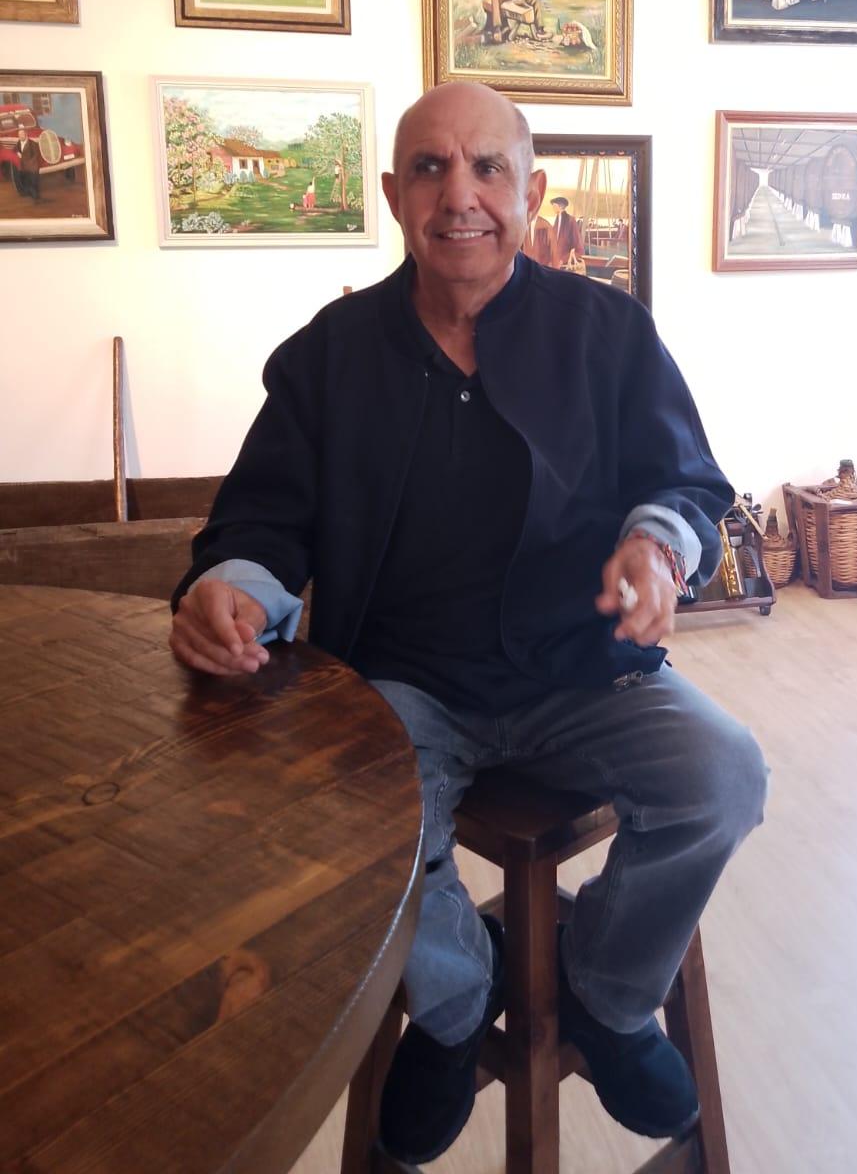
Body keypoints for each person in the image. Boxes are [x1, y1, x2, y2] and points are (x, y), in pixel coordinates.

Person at [167, 81, 767, 1167]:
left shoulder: (607, 332)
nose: (461, 195)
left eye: (488, 168)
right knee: (341, 813)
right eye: (431, 168)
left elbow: (685, 482)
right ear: (393, 193)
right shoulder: (330, 355)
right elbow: (259, 519)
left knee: (724, 776)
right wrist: (235, 587)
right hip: (400, 685)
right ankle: (451, 1004)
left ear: (532, 192)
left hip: (585, 670)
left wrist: (656, 548)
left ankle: (607, 990)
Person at [549, 193, 584, 269]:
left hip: (565, 262)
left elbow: (578, 247)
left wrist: (563, 260)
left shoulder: (570, 220)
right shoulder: (557, 219)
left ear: (560, 207)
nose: (553, 208)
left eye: (554, 206)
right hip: (556, 261)